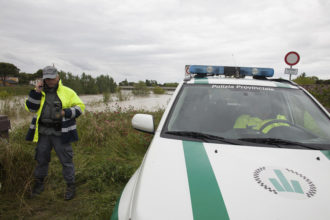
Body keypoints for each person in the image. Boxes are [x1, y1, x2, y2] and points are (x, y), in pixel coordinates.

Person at [25, 66, 85, 200]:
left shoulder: (68, 92)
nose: (50, 81)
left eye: (52, 78)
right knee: (41, 160)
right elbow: (30, 108)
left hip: (61, 133)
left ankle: (70, 186)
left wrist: (66, 112)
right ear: (43, 79)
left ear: (58, 77)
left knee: (66, 160)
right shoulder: (38, 92)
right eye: (47, 78)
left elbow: (81, 107)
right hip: (43, 133)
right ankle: (39, 185)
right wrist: (36, 92)